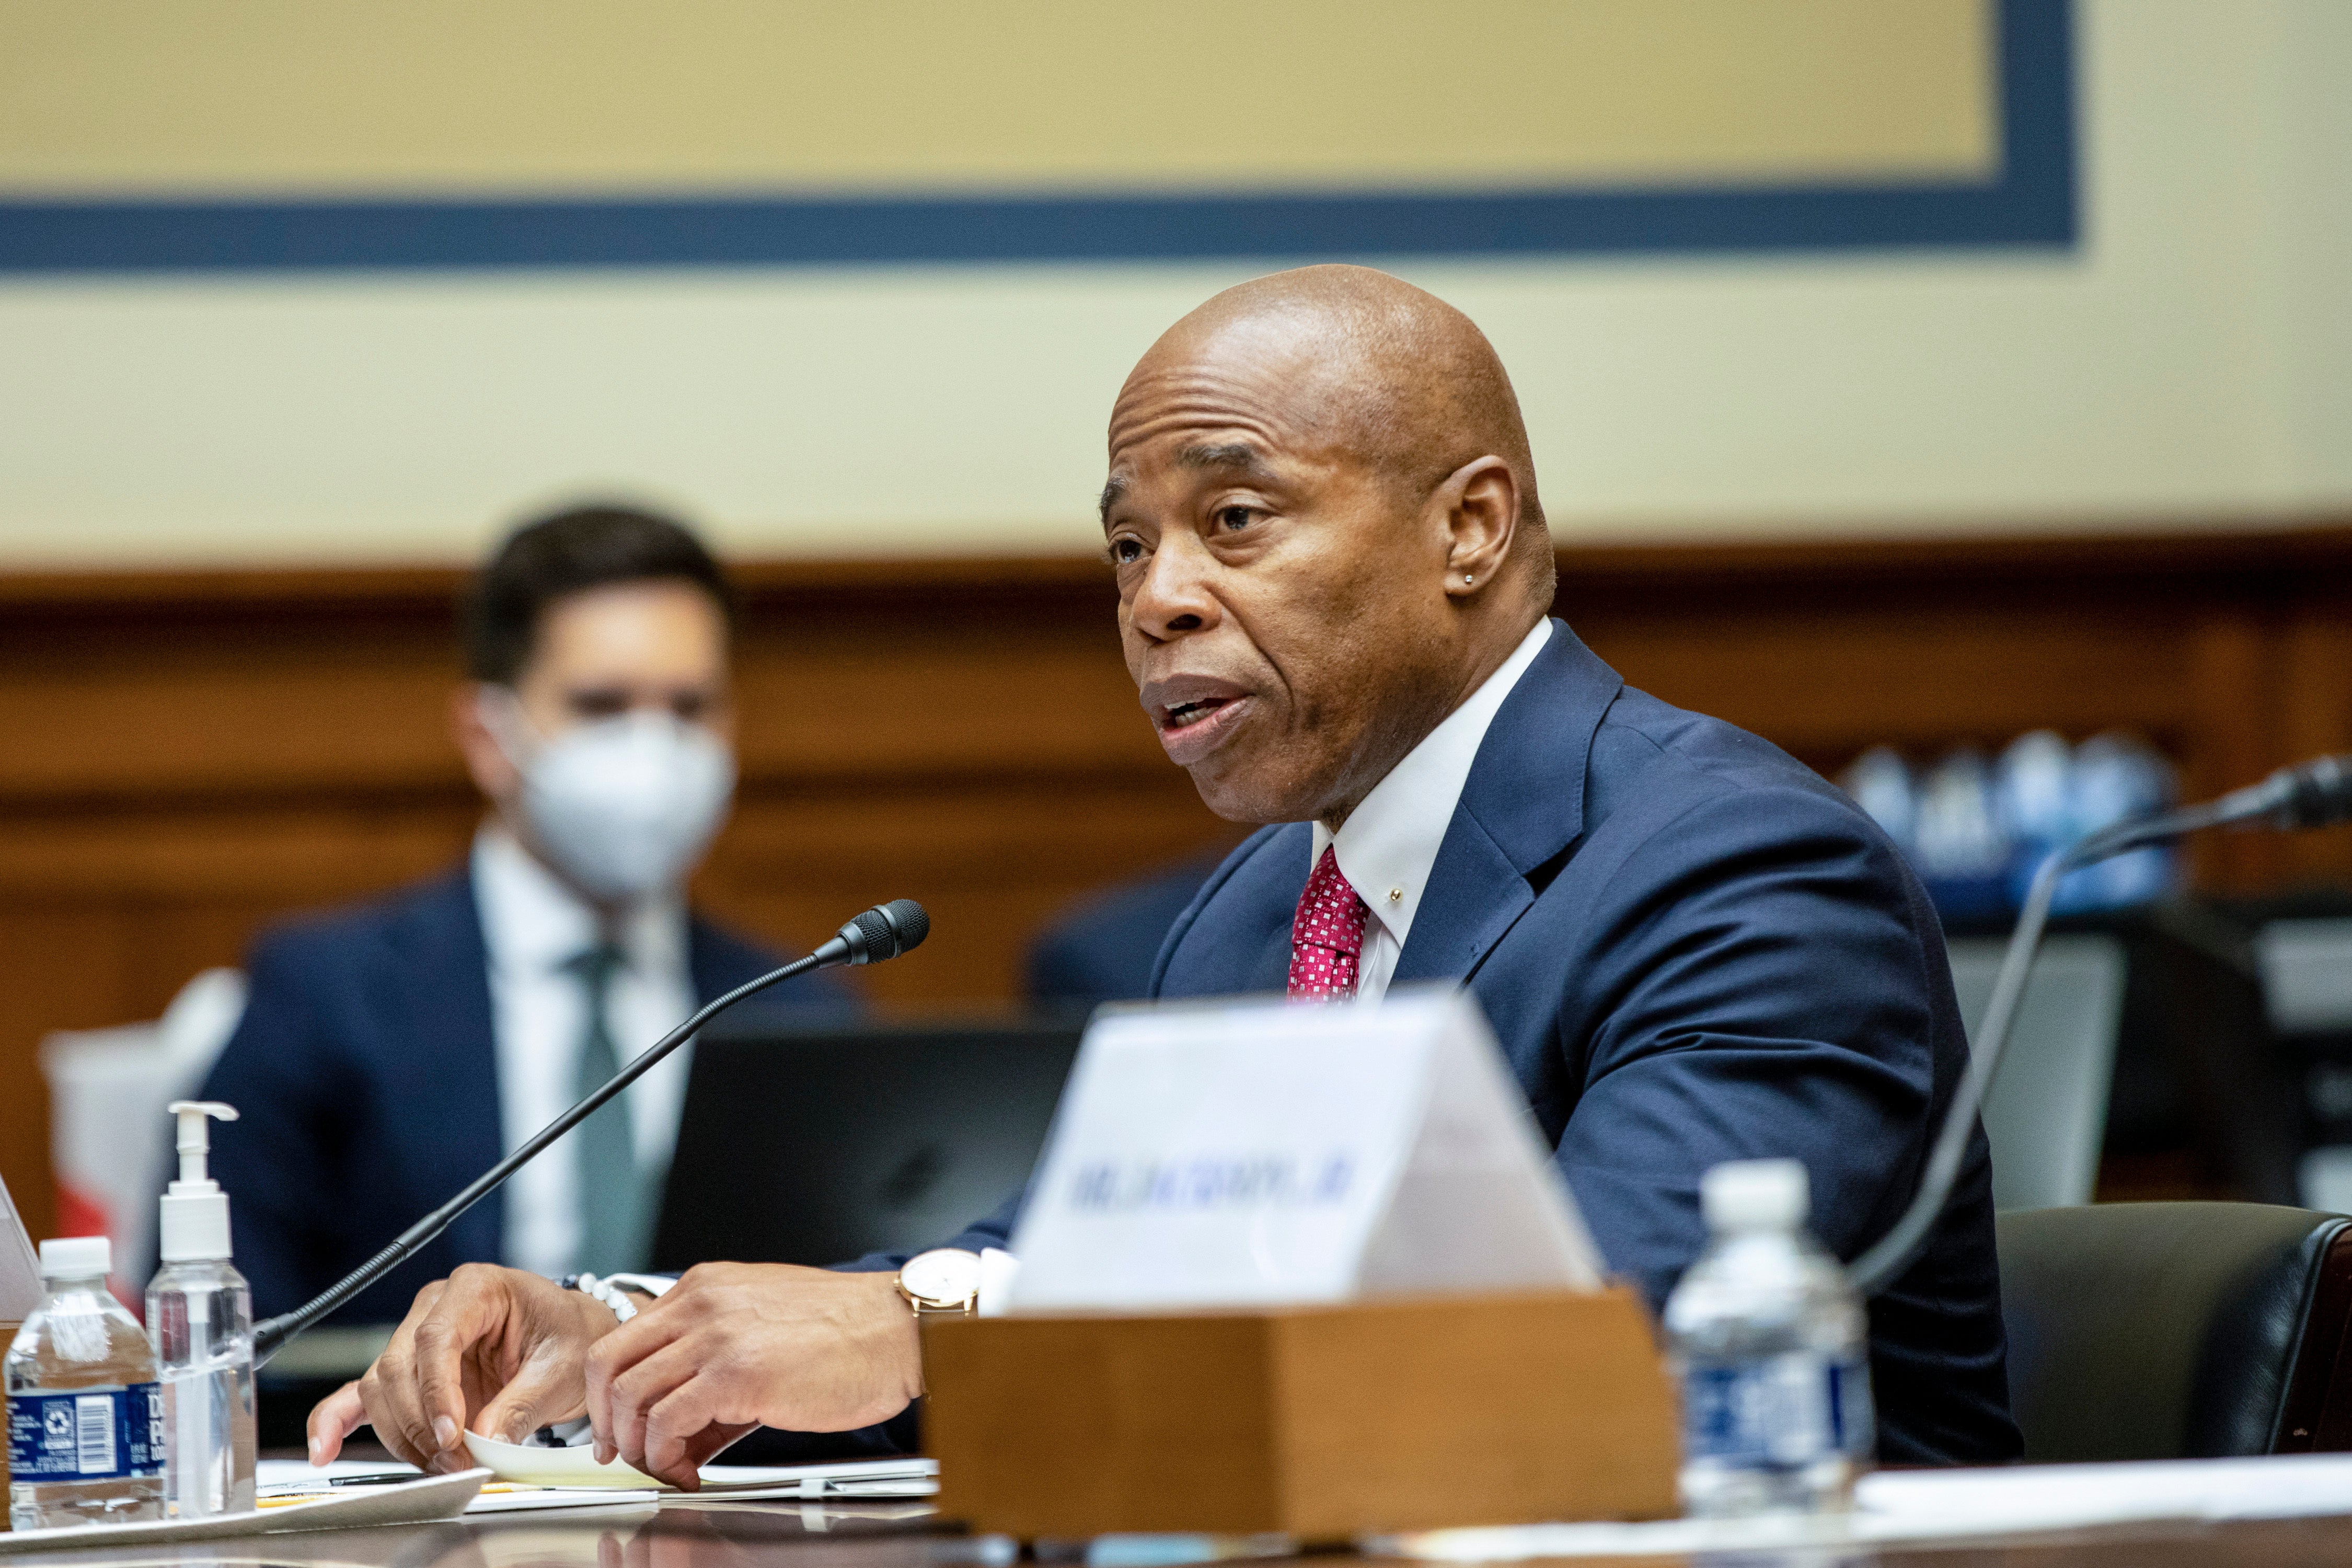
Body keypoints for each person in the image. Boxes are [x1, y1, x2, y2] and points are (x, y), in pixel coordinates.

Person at [309, 268, 2019, 1483]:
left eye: (1237, 520)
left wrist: (949, 1346)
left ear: (1474, 528)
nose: (1158, 598)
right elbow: (1052, 1267)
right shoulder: (1268, 908)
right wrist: (629, 1341)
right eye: (1127, 544)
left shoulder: (1735, 869)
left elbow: (1588, 1357)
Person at [202, 506, 856, 1325]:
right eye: (601, 705)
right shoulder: (328, 997)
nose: (653, 752)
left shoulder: (797, 1006)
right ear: (488, 736)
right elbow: (225, 1322)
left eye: (689, 707)